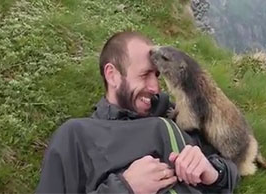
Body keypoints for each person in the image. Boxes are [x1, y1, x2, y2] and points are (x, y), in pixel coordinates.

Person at [36, 31, 239, 194]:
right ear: (112, 75)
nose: (155, 87)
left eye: (157, 76)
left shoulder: (176, 117)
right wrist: (125, 187)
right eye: (144, 75)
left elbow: (230, 170)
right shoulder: (77, 136)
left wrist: (212, 172)